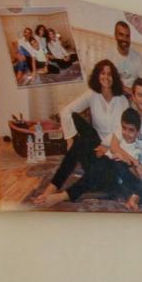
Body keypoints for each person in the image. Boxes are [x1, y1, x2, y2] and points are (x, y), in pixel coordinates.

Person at [33, 59, 128, 203]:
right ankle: (53, 187)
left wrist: (106, 146)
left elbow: (121, 129)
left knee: (97, 161)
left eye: (110, 74)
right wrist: (69, 138)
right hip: (95, 148)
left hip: (114, 151)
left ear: (114, 77)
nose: (106, 77)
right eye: (102, 73)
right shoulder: (92, 94)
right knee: (76, 129)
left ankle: (63, 195)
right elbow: (66, 111)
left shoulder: (122, 100)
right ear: (97, 75)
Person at [107, 19, 142, 91]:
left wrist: (132, 93)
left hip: (132, 94)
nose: (124, 39)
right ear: (115, 35)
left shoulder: (137, 58)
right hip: (115, 92)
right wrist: (125, 89)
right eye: (121, 35)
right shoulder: (109, 57)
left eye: (127, 36)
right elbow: (107, 81)